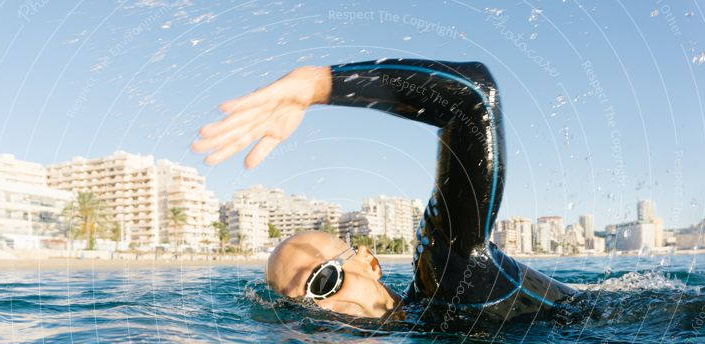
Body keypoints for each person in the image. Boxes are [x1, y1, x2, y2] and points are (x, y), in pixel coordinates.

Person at [192, 58, 575, 325]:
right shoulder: (406, 334)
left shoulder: (448, 276)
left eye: (322, 282)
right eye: (299, 309)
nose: (321, 313)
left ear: (370, 263)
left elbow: (471, 97)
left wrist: (317, 85)